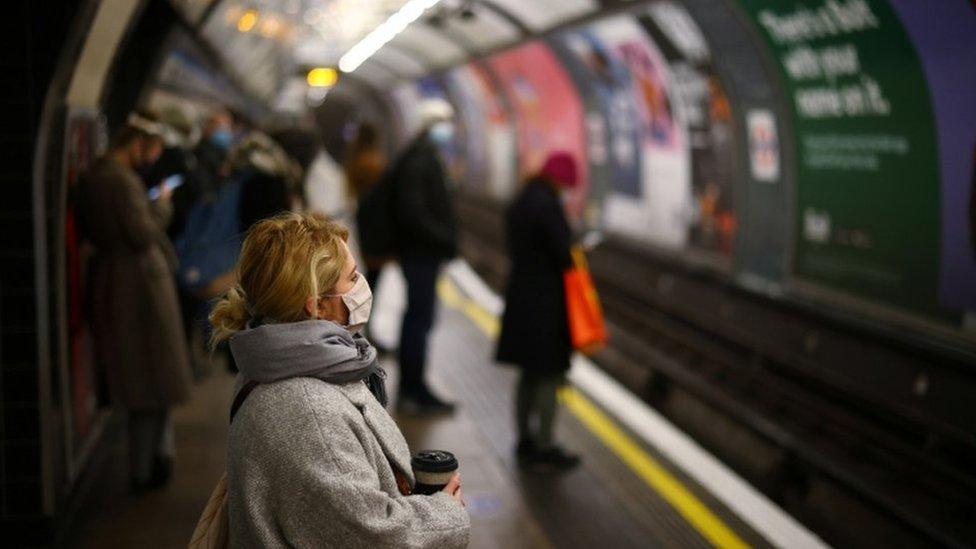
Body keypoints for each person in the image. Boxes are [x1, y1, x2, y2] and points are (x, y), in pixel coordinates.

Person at [209, 212, 470, 547]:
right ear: (317, 305)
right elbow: (370, 535)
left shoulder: (280, 362)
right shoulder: (308, 415)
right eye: (353, 277)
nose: (362, 286)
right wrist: (445, 513)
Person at [77, 111, 193, 491]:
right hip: (140, 288)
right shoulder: (121, 181)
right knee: (150, 377)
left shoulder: (95, 177)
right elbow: (143, 233)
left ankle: (153, 460)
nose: (153, 159)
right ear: (136, 144)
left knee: (145, 379)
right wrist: (162, 205)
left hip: (118, 282)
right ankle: (146, 470)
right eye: (151, 150)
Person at [495, 152, 582, 470]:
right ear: (559, 179)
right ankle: (544, 446)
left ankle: (524, 440)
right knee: (548, 374)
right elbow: (563, 252)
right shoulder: (548, 206)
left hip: (521, 299)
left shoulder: (522, 201)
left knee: (527, 373)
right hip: (545, 304)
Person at [387, 100, 459, 414]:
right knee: (419, 319)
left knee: (419, 318)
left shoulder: (421, 155)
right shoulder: (420, 160)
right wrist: (444, 237)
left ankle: (415, 386)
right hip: (420, 253)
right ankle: (413, 390)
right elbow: (413, 212)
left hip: (420, 253)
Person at [345, 123, 388, 290]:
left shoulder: (354, 158)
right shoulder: (374, 162)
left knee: (362, 269)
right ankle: (366, 310)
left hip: (360, 219)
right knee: (373, 276)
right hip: (375, 224)